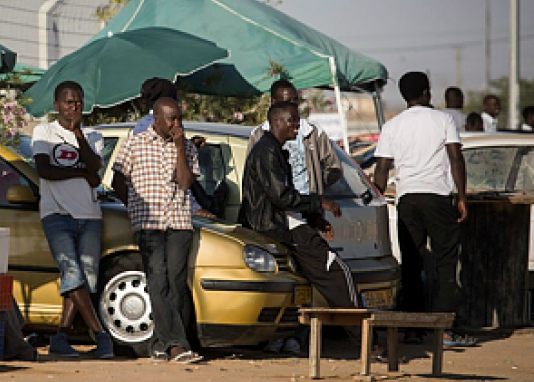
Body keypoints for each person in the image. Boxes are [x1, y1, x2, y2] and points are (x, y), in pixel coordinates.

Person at [240, 101, 359, 355]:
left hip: (286, 224)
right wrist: (319, 203)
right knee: (338, 272)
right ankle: (366, 342)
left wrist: (314, 218)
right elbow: (282, 197)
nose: (296, 125)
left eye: (297, 119)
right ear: (277, 122)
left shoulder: (275, 150)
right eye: (292, 120)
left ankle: (287, 338)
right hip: (280, 227)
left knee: (307, 282)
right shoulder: (267, 151)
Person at [373, 71, 476, 347]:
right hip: (437, 197)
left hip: (407, 199)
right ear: (426, 93)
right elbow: (455, 158)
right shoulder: (443, 120)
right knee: (445, 263)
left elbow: (382, 168)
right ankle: (443, 329)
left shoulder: (392, 126)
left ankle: (412, 330)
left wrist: (377, 198)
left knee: (411, 264)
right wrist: (462, 196)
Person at [111, 97, 203, 364]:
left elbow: (185, 183)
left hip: (179, 222)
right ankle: (177, 345)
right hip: (148, 224)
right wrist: (134, 206)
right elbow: (117, 180)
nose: (177, 124)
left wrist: (180, 147)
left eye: (179, 118)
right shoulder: (134, 144)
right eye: (171, 119)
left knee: (176, 282)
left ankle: (160, 344)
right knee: (157, 281)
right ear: (157, 119)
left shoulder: (186, 146)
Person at [31, 80, 114, 359]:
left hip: (89, 215)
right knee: (72, 273)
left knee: (86, 279)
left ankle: (61, 337)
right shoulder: (44, 132)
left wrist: (78, 133)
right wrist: (80, 174)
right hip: (56, 214)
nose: (74, 107)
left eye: (78, 102)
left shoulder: (93, 136)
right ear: (57, 105)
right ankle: (100, 335)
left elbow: (95, 167)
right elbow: (45, 170)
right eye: (68, 102)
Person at [134, 77, 220, 218]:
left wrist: (188, 144)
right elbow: (176, 176)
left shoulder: (141, 125)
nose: (176, 124)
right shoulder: (161, 126)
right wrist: (194, 208)